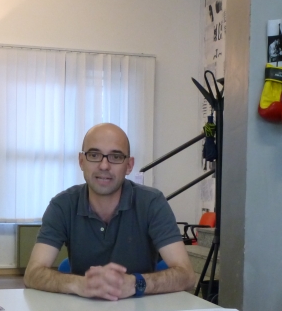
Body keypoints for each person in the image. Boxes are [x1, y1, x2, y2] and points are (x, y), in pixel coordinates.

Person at [24, 123, 196, 300]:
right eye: (94, 155)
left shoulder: (152, 203)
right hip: (82, 309)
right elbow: (32, 273)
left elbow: (187, 275)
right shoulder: (62, 205)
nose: (104, 165)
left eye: (115, 156)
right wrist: (79, 284)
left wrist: (134, 284)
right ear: (81, 161)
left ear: (129, 165)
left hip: (141, 308)